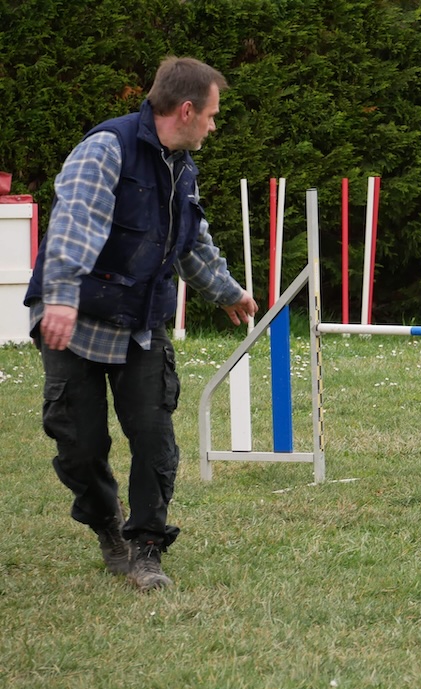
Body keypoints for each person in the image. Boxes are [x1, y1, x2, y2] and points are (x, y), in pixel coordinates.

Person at [24, 56, 258, 591]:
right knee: (78, 446)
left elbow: (191, 242)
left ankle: (147, 547)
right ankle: (107, 525)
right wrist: (59, 296)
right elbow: (74, 222)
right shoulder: (105, 149)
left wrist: (229, 291)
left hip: (140, 323)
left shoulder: (182, 166)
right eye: (213, 115)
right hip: (74, 318)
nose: (215, 126)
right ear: (186, 109)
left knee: (155, 442)